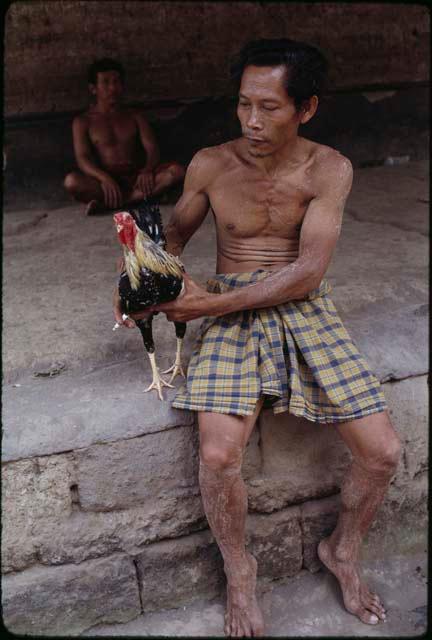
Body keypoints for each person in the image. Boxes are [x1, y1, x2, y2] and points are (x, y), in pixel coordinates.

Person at [114, 39, 401, 637]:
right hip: (228, 304)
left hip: (300, 304)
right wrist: (142, 281)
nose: (251, 121)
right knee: (218, 456)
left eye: (269, 107)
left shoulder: (330, 169)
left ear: (307, 109)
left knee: (383, 453)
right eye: (244, 104)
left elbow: (308, 274)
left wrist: (205, 303)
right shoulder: (211, 163)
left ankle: (341, 552)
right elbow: (172, 243)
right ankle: (240, 574)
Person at [64, 58, 185, 214]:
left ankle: (121, 202)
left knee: (177, 171)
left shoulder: (135, 116)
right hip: (105, 182)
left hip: (137, 179)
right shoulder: (82, 121)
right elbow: (83, 158)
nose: (113, 87)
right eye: (106, 83)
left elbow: (152, 148)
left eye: (117, 82)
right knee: (71, 182)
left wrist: (147, 170)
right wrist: (104, 178)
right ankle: (138, 199)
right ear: (93, 89)